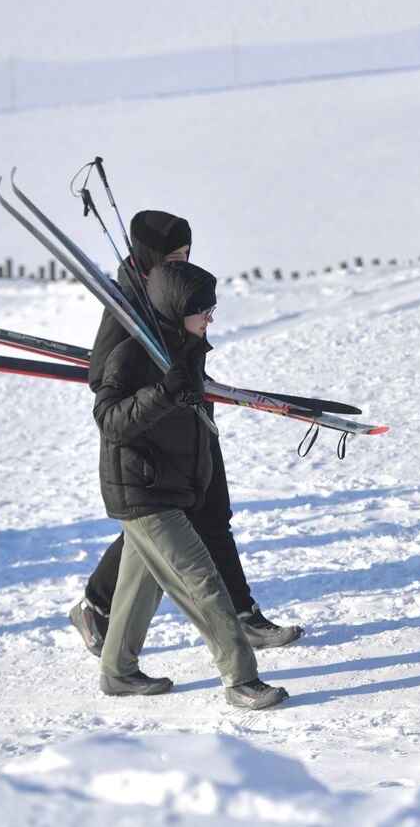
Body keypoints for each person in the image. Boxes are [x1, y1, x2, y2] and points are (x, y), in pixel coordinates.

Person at [68, 210, 301, 656]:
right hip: (153, 440)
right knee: (154, 529)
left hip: (193, 424)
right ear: (149, 255)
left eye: (185, 255)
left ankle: (243, 614)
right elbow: (104, 381)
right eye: (171, 257)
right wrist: (161, 388)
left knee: (213, 517)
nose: (178, 264)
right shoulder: (125, 303)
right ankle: (96, 605)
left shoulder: (176, 290)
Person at [93, 260, 288, 708]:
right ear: (177, 308)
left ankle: (118, 671)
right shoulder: (132, 353)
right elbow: (110, 420)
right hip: (142, 489)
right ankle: (241, 679)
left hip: (172, 486)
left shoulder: (186, 350)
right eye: (204, 310)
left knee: (141, 583)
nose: (210, 318)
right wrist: (162, 393)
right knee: (202, 581)